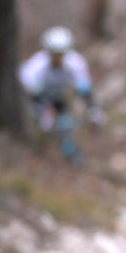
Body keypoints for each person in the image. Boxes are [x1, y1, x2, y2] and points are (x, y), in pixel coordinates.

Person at [19, 26, 104, 163]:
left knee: (65, 125)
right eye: (54, 54)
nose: (58, 58)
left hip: (60, 97)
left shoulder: (75, 63)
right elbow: (30, 92)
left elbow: (85, 89)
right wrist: (45, 109)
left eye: (61, 54)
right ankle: (38, 149)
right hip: (39, 98)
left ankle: (68, 153)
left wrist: (93, 111)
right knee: (43, 123)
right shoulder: (36, 66)